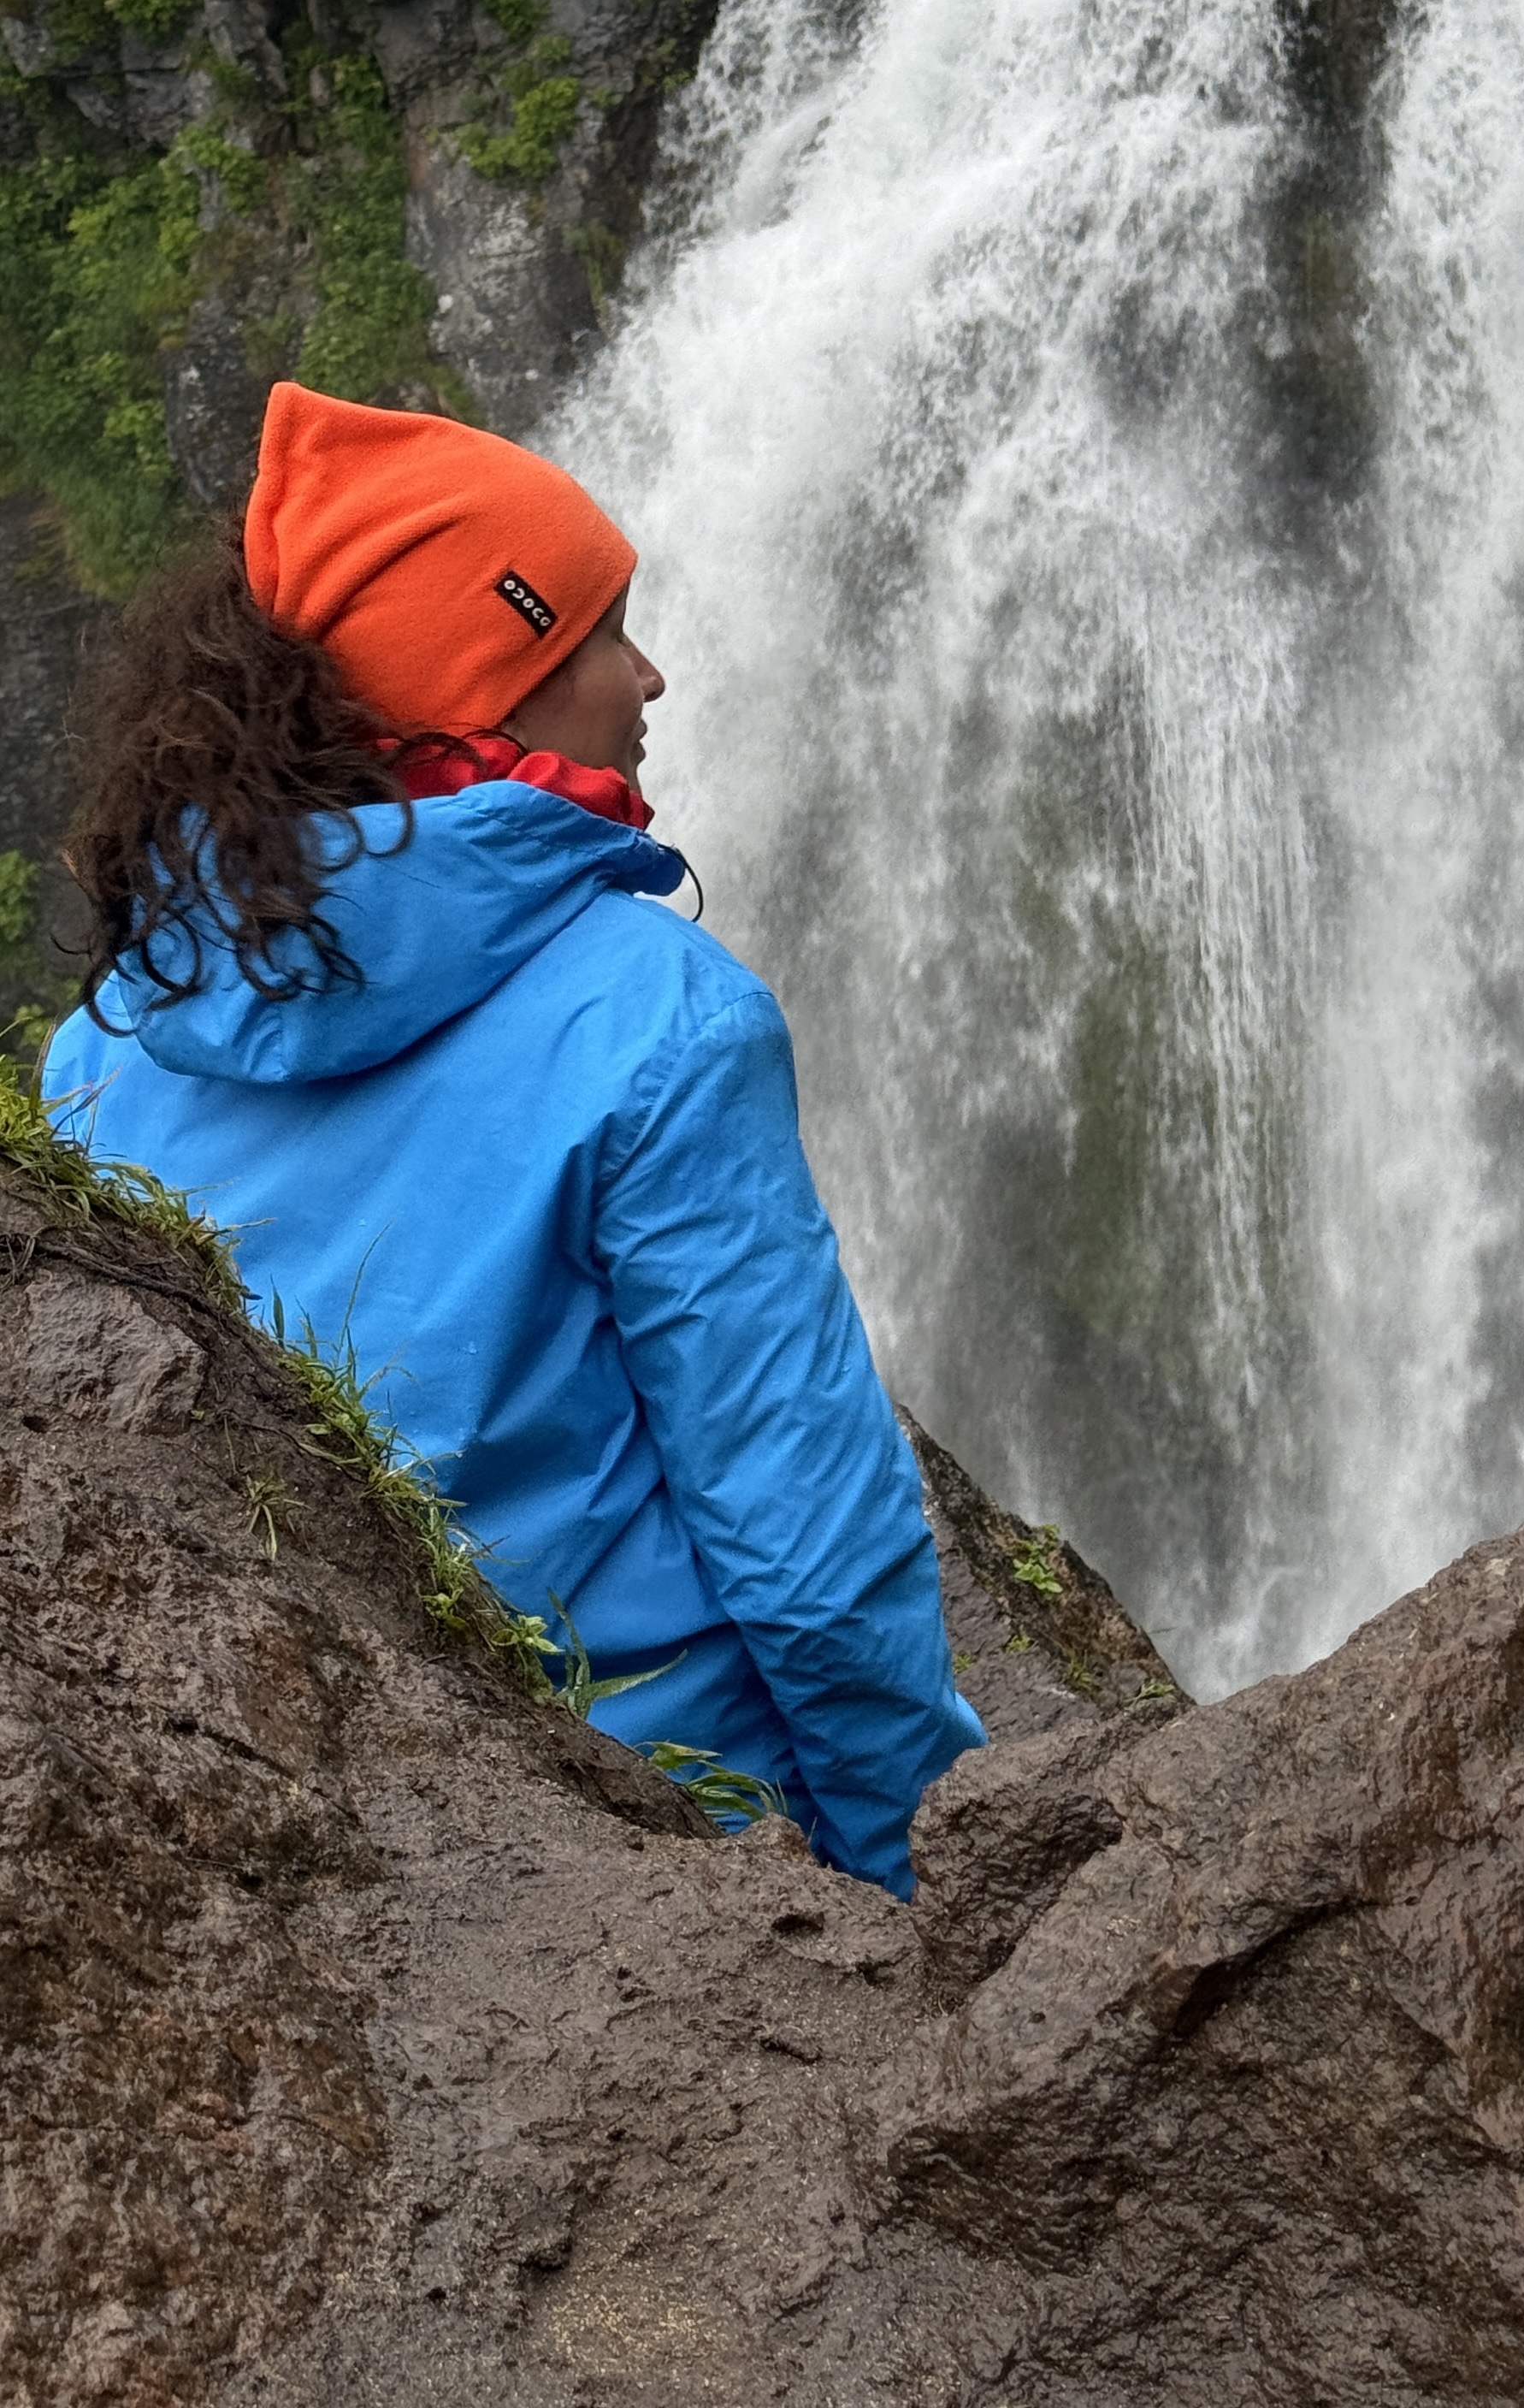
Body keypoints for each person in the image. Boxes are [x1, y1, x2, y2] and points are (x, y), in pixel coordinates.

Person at [44, 382, 982, 1894]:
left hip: (330, 1848)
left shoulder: (104, 1049)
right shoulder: (658, 1018)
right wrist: (926, 1888)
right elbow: (813, 1566)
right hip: (686, 1834)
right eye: (602, 634)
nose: (651, 675)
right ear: (489, 693)